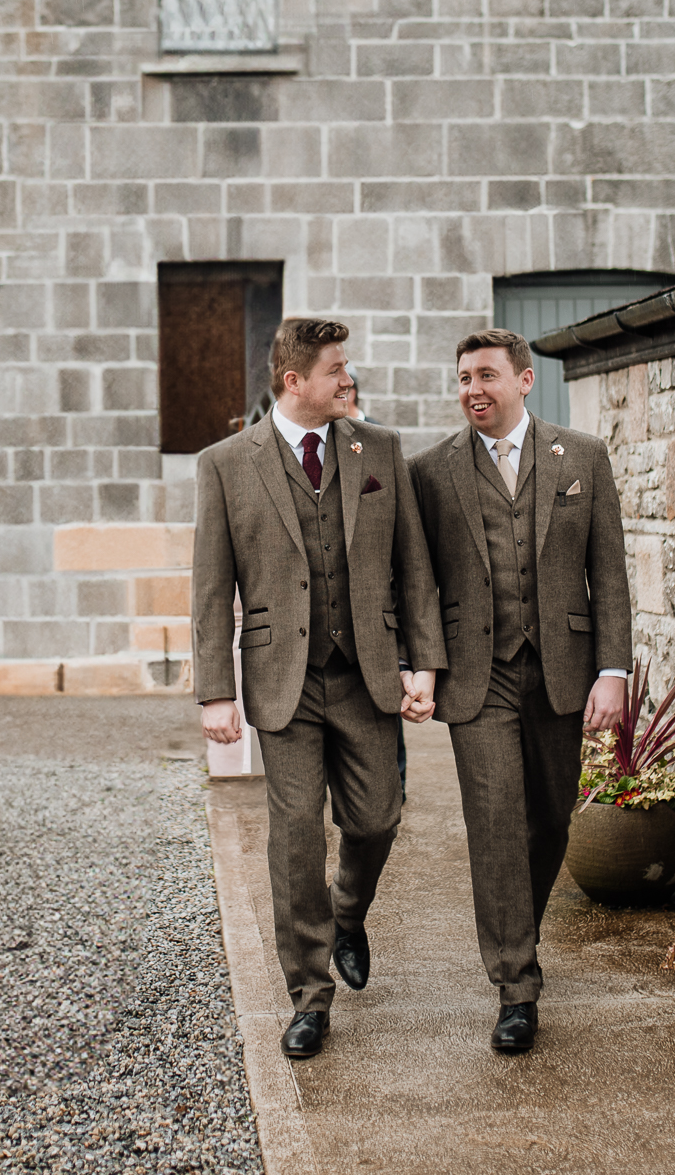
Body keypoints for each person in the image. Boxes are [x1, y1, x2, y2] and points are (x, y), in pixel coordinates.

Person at [191, 317, 447, 1061]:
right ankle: (309, 995)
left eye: (348, 367)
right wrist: (216, 692)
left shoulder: (381, 450)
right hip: (282, 682)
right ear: (293, 381)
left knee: (375, 818)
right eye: (336, 370)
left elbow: (415, 569)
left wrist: (422, 665)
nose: (349, 380)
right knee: (297, 834)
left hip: (367, 676)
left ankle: (348, 912)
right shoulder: (226, 464)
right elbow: (211, 588)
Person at [407, 329, 633, 1055]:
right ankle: (516, 986)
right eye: (463, 378)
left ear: (525, 381)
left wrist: (613, 670)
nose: (473, 390)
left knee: (549, 820)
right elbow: (418, 582)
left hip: (563, 670)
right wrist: (423, 664)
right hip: (480, 677)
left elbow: (611, 575)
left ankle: (517, 932)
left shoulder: (583, 456)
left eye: (486, 376)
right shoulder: (430, 471)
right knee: (498, 823)